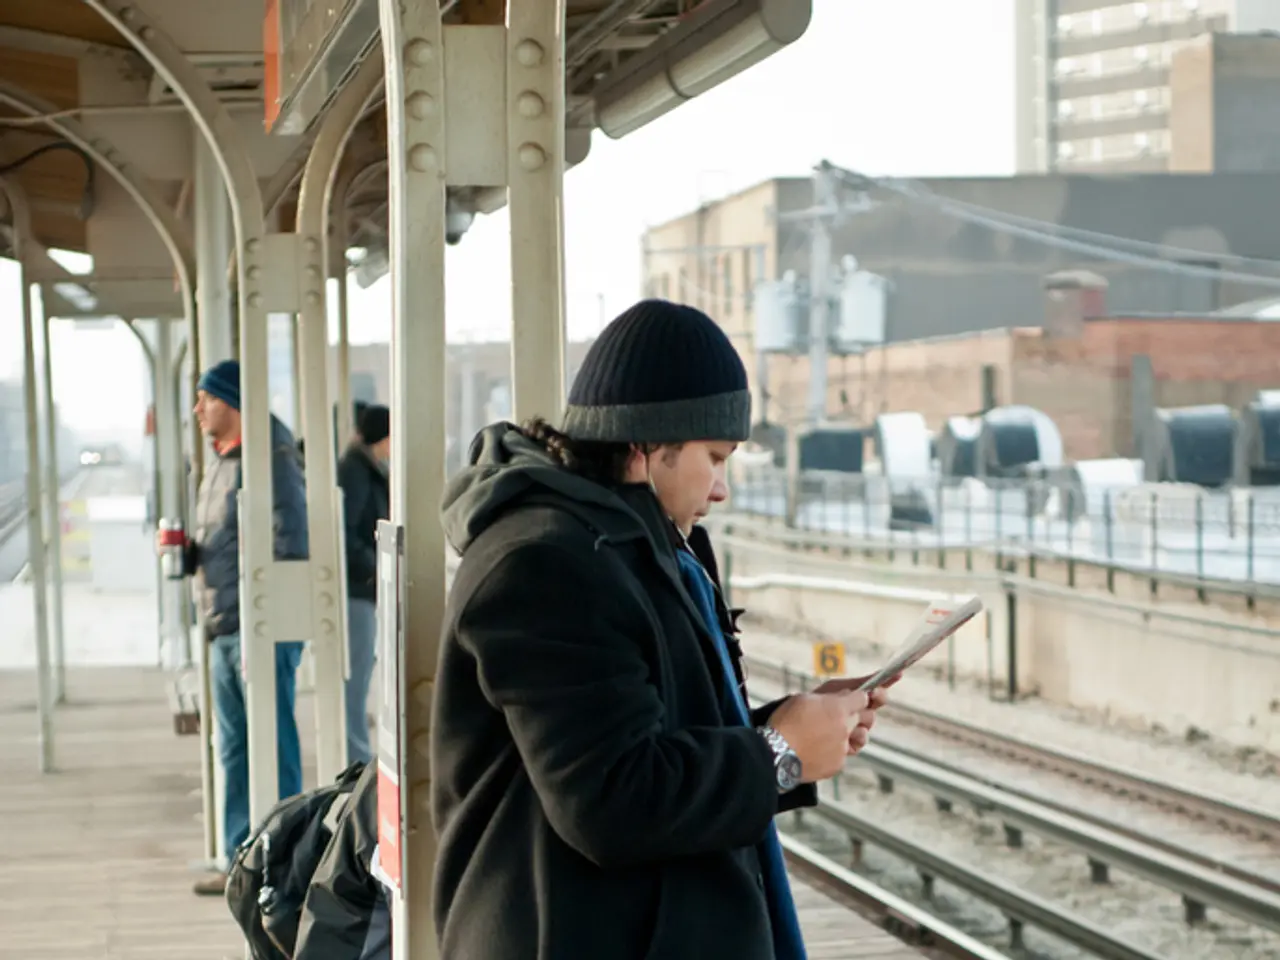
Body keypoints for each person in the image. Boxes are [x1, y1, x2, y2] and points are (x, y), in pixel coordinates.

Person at [431, 299, 891, 959]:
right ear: (647, 445)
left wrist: (794, 725)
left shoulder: (630, 548)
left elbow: (644, 735)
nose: (723, 488)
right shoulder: (547, 564)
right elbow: (609, 800)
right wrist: (776, 756)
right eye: (715, 455)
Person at [174, 359, 310, 896]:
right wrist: (193, 555)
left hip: (259, 629)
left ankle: (288, 861)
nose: (198, 409)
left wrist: (268, 616)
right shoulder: (220, 463)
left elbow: (289, 539)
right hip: (224, 627)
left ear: (230, 401)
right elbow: (230, 539)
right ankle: (241, 862)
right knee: (233, 748)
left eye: (206, 398)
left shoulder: (269, 459)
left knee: (272, 746)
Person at [336, 403, 390, 765]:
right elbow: (347, 532)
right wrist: (373, 567)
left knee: (358, 676)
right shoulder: (355, 471)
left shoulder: (362, 467)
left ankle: (356, 753)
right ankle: (355, 759)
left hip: (361, 587)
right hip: (356, 590)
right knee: (355, 680)